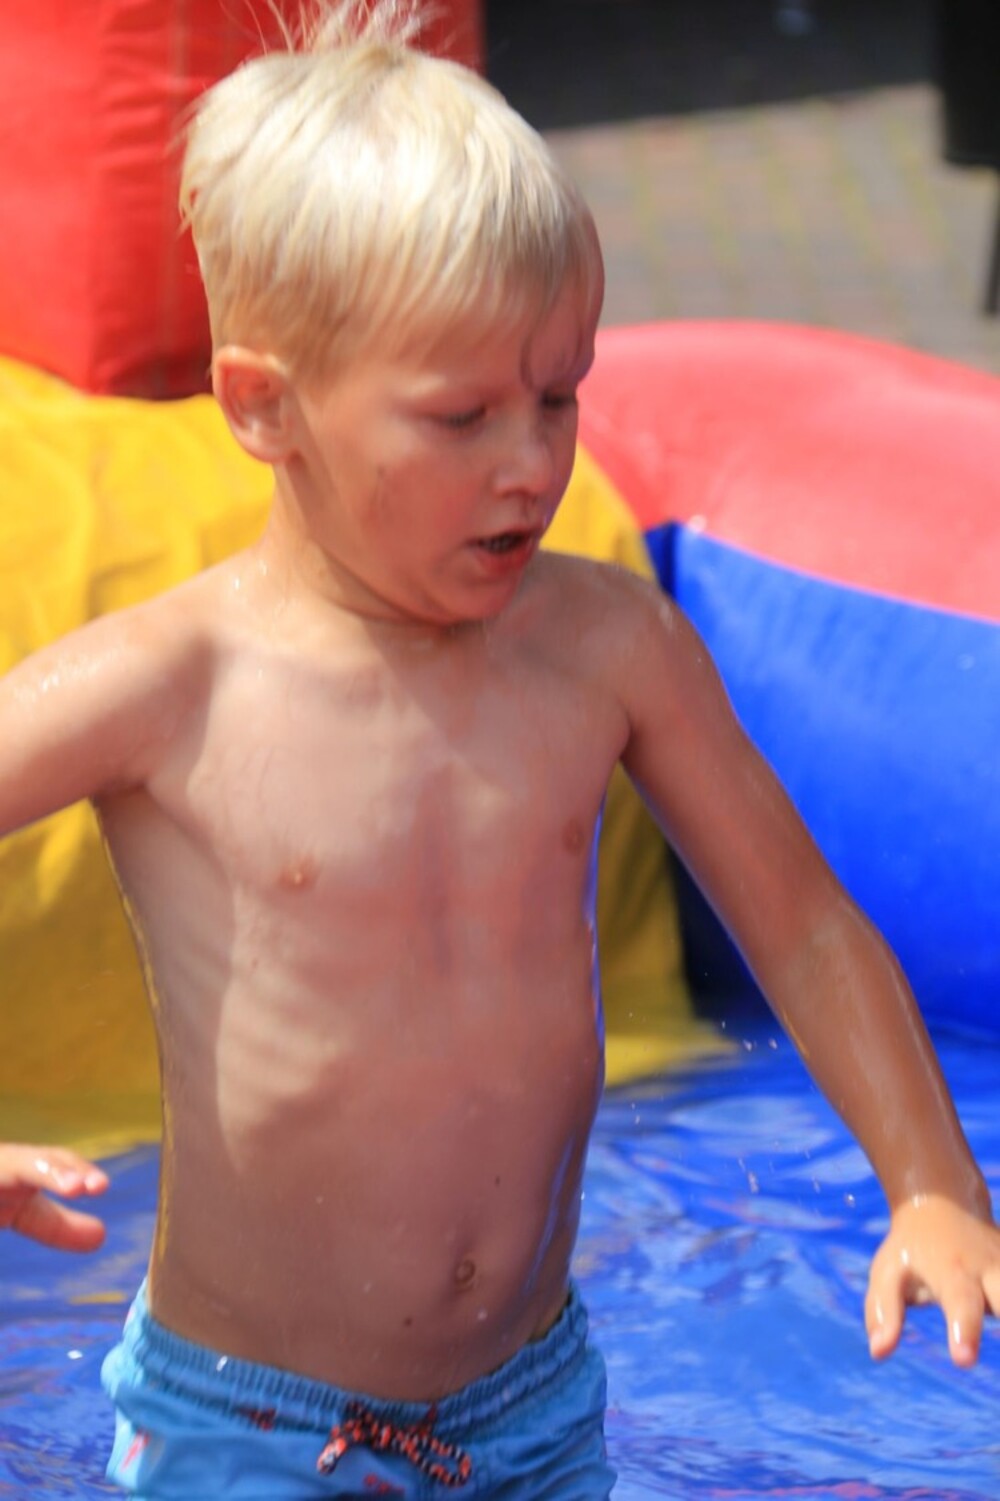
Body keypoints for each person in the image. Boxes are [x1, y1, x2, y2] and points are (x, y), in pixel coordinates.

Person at [1, 2, 998, 1495]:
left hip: (533, 1408)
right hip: (245, 1429)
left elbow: (800, 922)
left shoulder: (607, 648)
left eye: (560, 394)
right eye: (461, 415)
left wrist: (930, 1180)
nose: (533, 463)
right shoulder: (172, 687)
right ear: (264, 406)